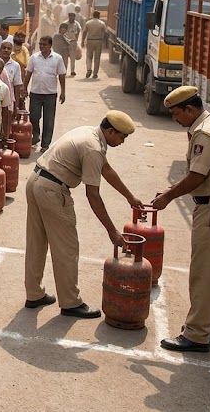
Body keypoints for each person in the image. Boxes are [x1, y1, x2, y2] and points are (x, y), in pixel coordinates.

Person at [152, 87, 210, 353]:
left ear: (190, 109)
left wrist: (168, 196)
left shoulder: (204, 132)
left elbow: (197, 176)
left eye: (176, 113)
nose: (173, 119)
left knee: (203, 272)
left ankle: (196, 334)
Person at [25, 111, 140, 319]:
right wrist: (111, 231)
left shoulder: (89, 133)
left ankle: (34, 294)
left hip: (35, 180)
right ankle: (70, 302)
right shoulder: (93, 148)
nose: (122, 142)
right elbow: (93, 195)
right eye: (122, 137)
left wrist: (130, 198)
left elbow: (107, 170)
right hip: (53, 190)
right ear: (110, 131)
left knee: (37, 241)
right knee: (67, 248)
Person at [24, 36, 67, 153]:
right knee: (33, 117)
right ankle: (35, 136)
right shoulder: (34, 58)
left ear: (50, 45)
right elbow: (28, 73)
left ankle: (45, 144)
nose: (42, 46)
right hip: (35, 93)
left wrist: (63, 92)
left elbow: (62, 75)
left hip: (50, 94)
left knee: (48, 120)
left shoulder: (57, 59)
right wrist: (24, 88)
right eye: (40, 44)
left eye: (44, 44)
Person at [81, 11, 110, 79]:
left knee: (89, 56)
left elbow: (84, 32)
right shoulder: (102, 23)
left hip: (90, 40)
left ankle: (88, 69)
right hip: (98, 41)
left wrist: (82, 41)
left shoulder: (88, 23)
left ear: (93, 15)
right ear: (99, 16)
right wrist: (106, 43)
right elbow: (105, 33)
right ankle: (95, 73)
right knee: (97, 58)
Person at [0, 39, 26, 110]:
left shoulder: (15, 65)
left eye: (8, 48)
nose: (6, 50)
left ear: (12, 50)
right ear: (0, 49)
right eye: (4, 48)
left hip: (9, 100)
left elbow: (16, 86)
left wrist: (16, 105)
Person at [62, 12, 83, 77]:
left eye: (72, 17)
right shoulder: (65, 23)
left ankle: (72, 71)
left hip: (73, 42)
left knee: (72, 57)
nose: (71, 18)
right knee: (65, 57)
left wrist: (77, 35)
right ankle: (64, 71)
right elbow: (61, 31)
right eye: (70, 17)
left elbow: (79, 29)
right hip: (65, 42)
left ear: (74, 17)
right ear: (68, 17)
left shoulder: (76, 24)